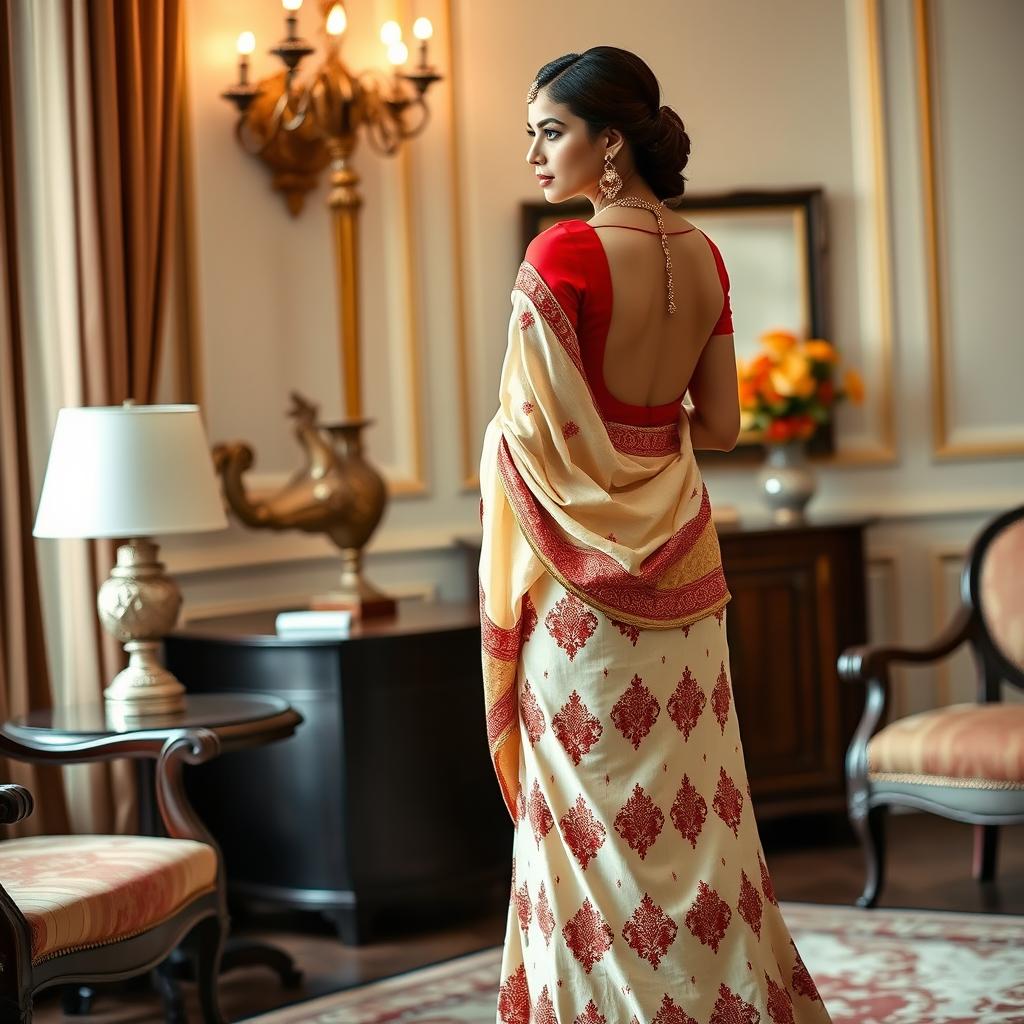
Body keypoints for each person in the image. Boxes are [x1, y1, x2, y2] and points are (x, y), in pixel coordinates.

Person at [478, 47, 833, 1024]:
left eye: (550, 130)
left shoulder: (561, 255)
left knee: (591, 831)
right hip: (685, 574)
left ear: (611, 142)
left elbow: (529, 437)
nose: (534, 151)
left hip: (575, 591)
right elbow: (716, 427)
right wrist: (646, 426)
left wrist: (587, 440)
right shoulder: (705, 255)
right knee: (697, 817)